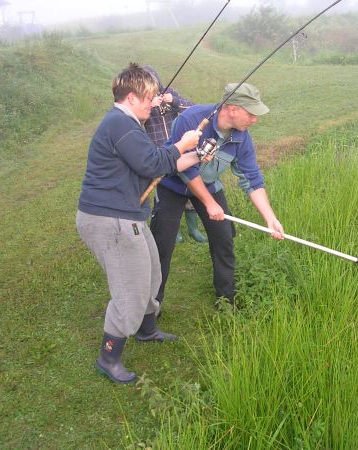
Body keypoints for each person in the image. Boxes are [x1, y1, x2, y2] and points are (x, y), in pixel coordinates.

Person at [76, 62, 204, 384]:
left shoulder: (128, 125)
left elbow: (151, 163)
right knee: (130, 290)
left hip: (128, 215)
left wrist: (187, 158)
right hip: (110, 220)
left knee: (151, 273)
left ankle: (146, 330)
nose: (154, 102)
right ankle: (108, 357)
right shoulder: (121, 124)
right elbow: (151, 161)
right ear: (132, 97)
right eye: (149, 97)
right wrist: (182, 145)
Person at [150, 82, 284, 310]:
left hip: (209, 185)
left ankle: (226, 300)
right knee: (161, 247)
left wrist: (269, 218)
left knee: (224, 240)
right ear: (233, 109)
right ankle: (151, 308)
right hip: (172, 185)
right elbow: (186, 169)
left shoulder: (242, 138)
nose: (254, 120)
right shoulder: (191, 119)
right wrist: (209, 203)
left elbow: (252, 178)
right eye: (251, 114)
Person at [142, 65, 207, 244]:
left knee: (189, 185)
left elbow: (193, 109)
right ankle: (174, 229)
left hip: (181, 147)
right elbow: (137, 121)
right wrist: (148, 104)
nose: (155, 90)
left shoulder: (169, 93)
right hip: (159, 151)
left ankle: (193, 229)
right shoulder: (142, 101)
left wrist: (174, 100)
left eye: (156, 86)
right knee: (166, 190)